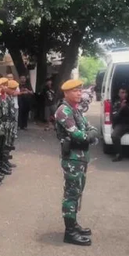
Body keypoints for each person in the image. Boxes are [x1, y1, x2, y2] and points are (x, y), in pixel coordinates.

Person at [55, 79, 98, 246]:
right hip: (72, 158)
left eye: (80, 90)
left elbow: (91, 128)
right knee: (71, 194)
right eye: (75, 91)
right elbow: (79, 135)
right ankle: (69, 232)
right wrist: (88, 135)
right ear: (66, 93)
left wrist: (89, 134)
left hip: (81, 157)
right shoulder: (63, 111)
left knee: (78, 192)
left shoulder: (76, 109)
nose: (79, 93)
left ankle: (73, 224)